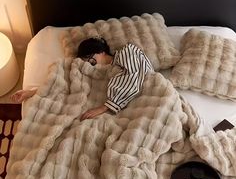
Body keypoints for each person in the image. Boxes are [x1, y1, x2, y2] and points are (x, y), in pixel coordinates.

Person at [11, 37, 154, 120]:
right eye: (85, 60)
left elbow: (136, 75)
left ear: (101, 52)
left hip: (146, 100)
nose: (89, 63)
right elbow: (65, 82)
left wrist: (104, 107)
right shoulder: (91, 70)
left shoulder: (126, 52)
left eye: (90, 57)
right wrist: (32, 92)